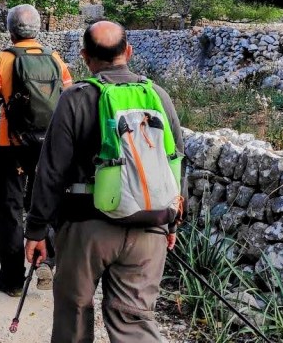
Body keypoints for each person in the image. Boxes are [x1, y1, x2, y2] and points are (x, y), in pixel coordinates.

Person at [24, 21, 186, 343]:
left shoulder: (76, 98)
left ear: (85, 56)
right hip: (149, 227)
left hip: (87, 228)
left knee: (74, 313)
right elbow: (176, 162)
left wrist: (37, 230)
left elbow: (51, 171)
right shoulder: (158, 96)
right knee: (135, 321)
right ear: (128, 52)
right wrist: (172, 223)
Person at [0, 4, 73, 297]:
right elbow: (69, 102)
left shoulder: (3, 60)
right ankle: (47, 261)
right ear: (38, 28)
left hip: (13, 145)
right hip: (49, 148)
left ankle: (12, 279)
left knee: (11, 209)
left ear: (10, 29)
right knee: (46, 203)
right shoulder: (55, 59)